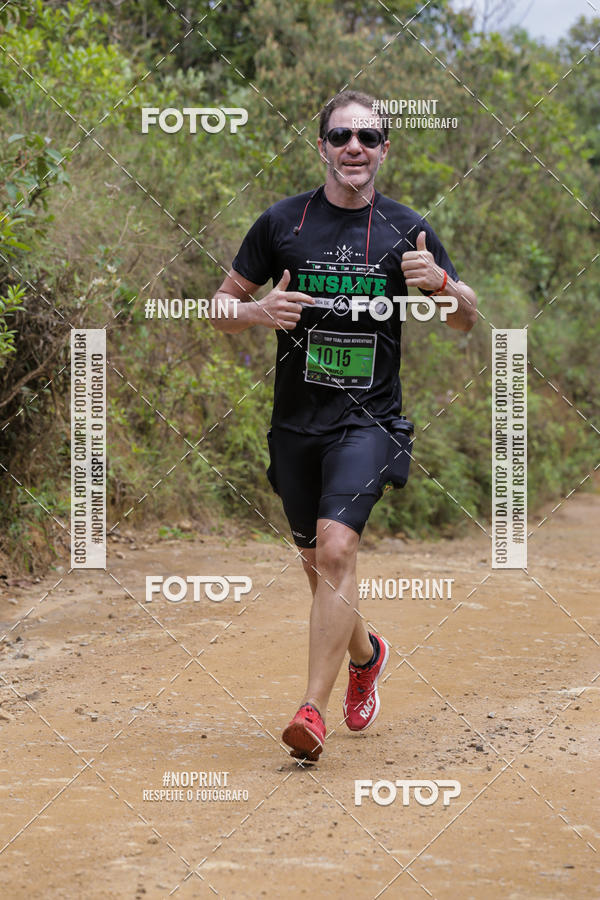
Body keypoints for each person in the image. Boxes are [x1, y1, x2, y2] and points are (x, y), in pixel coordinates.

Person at [210, 89, 477, 761]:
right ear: (322, 146)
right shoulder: (282, 223)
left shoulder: (407, 228)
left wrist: (442, 285)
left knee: (336, 551)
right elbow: (220, 306)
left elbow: (466, 318)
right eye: (340, 136)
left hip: (370, 422)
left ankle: (311, 712)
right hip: (297, 425)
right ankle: (367, 655)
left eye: (367, 137)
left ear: (385, 148)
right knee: (318, 565)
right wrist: (256, 313)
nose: (354, 147)